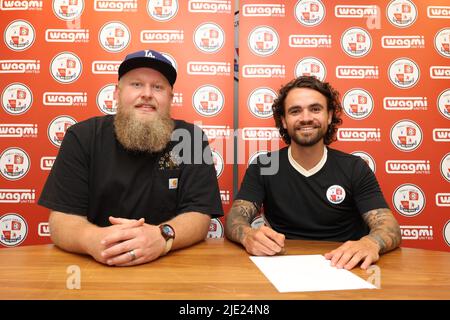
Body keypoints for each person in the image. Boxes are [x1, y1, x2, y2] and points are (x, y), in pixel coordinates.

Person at [39, 49, 223, 266]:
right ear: (117, 93)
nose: (147, 94)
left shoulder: (191, 138)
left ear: (170, 98)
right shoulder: (82, 136)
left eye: (158, 87)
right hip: (97, 265)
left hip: (171, 267)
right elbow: (61, 219)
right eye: (136, 84)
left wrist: (163, 236)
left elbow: (199, 214)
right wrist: (95, 240)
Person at [225, 76, 401, 270]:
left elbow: (388, 226)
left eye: (315, 109)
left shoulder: (355, 168)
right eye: (295, 111)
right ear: (283, 120)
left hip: (343, 266)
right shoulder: (264, 166)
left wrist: (370, 243)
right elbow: (235, 218)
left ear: (329, 116)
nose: (306, 117)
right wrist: (247, 234)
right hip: (281, 265)